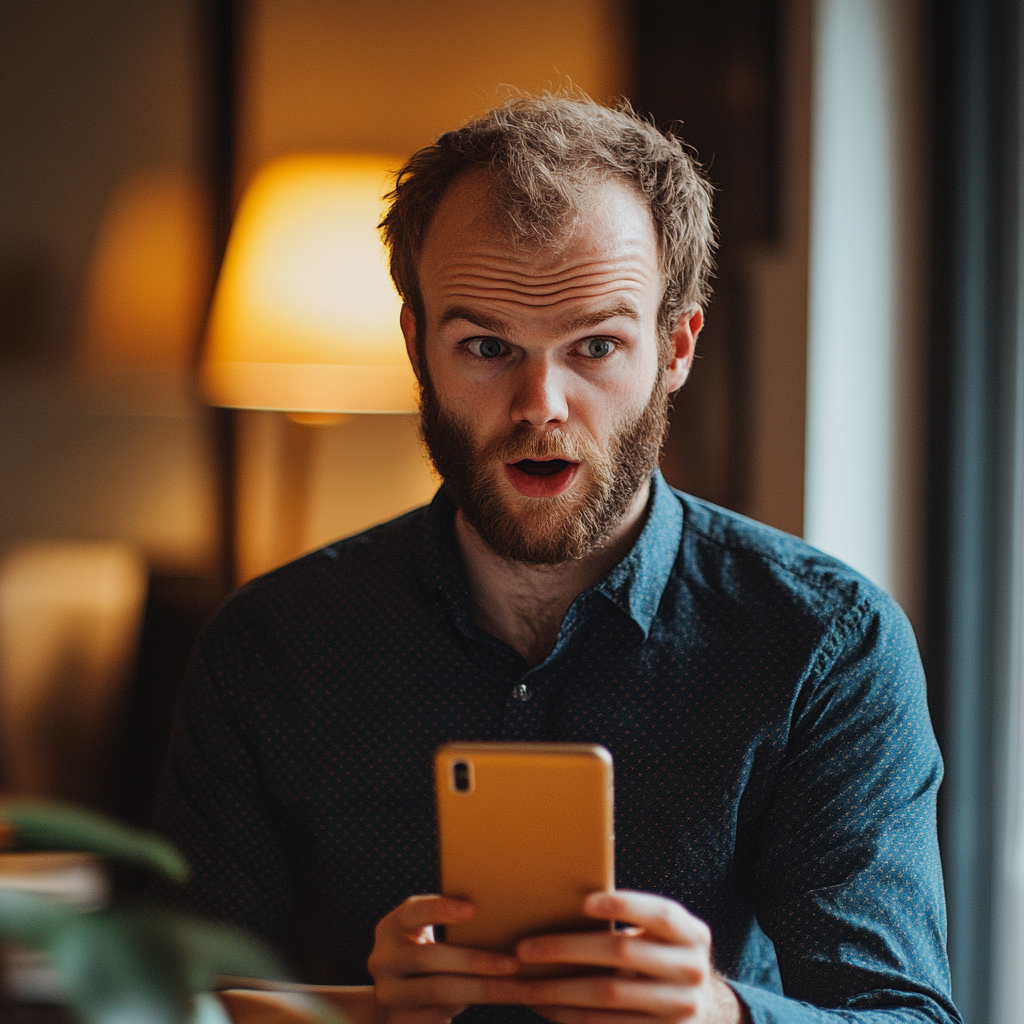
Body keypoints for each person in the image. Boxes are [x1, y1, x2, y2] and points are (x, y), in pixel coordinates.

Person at [155, 96, 960, 1024]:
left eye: (596, 346)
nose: (542, 404)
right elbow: (163, 1004)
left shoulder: (826, 645)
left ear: (676, 347)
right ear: (417, 346)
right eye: (488, 346)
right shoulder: (268, 649)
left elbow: (905, 1016)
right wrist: (368, 1014)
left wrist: (716, 1013)